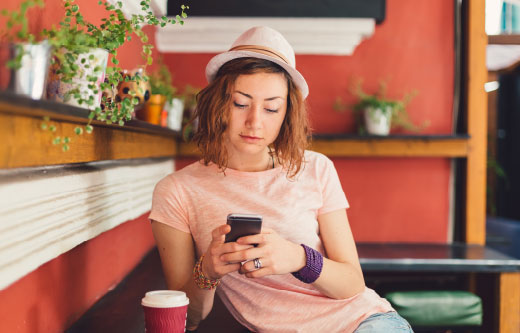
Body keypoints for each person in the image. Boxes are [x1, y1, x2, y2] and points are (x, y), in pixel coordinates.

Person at [149, 26, 413, 333]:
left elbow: (352, 284)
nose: (255, 122)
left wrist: (300, 258)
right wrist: (207, 270)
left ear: (287, 113)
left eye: (272, 107)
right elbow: (188, 319)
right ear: (218, 104)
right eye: (240, 103)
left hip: (363, 321)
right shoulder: (178, 191)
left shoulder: (317, 168)